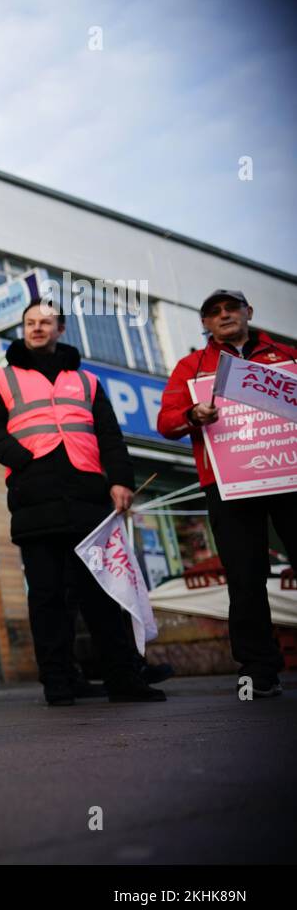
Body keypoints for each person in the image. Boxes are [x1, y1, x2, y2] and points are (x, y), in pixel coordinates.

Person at [0, 299, 164, 705]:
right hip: (34, 498)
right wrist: (21, 459)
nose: (37, 327)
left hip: (88, 500)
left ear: (60, 329)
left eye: (45, 322)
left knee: (101, 595)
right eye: (30, 322)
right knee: (48, 596)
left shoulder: (88, 382)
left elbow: (110, 437)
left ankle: (123, 680)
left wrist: (120, 482)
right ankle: (58, 683)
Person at [157, 290, 297, 698]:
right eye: (213, 312)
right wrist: (192, 415)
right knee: (245, 576)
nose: (224, 316)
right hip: (229, 481)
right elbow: (165, 421)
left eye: (231, 308)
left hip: (289, 476)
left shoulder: (287, 356)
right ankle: (259, 669)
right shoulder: (191, 366)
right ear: (205, 324)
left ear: (248, 312)